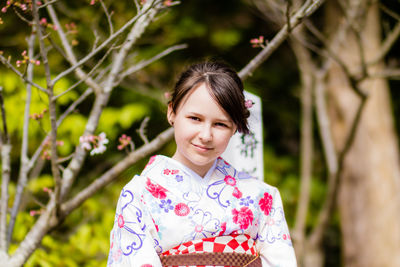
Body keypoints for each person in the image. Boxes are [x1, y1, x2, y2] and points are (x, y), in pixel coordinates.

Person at [107, 61, 297, 266]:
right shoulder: (139, 195)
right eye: (195, 118)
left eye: (220, 124)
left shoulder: (263, 196)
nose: (206, 135)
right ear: (172, 112)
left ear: (235, 127)